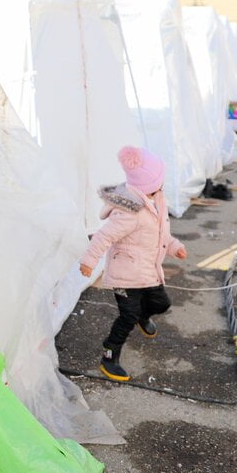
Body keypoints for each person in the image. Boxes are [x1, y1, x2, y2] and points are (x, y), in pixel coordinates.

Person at [79, 146, 187, 381]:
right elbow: (103, 236)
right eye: (159, 180)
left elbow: (161, 234)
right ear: (148, 184)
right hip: (125, 275)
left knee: (161, 303)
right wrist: (89, 261)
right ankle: (109, 355)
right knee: (127, 315)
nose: (162, 183)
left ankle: (142, 316)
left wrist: (174, 246)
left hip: (147, 271)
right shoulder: (129, 212)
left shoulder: (157, 199)